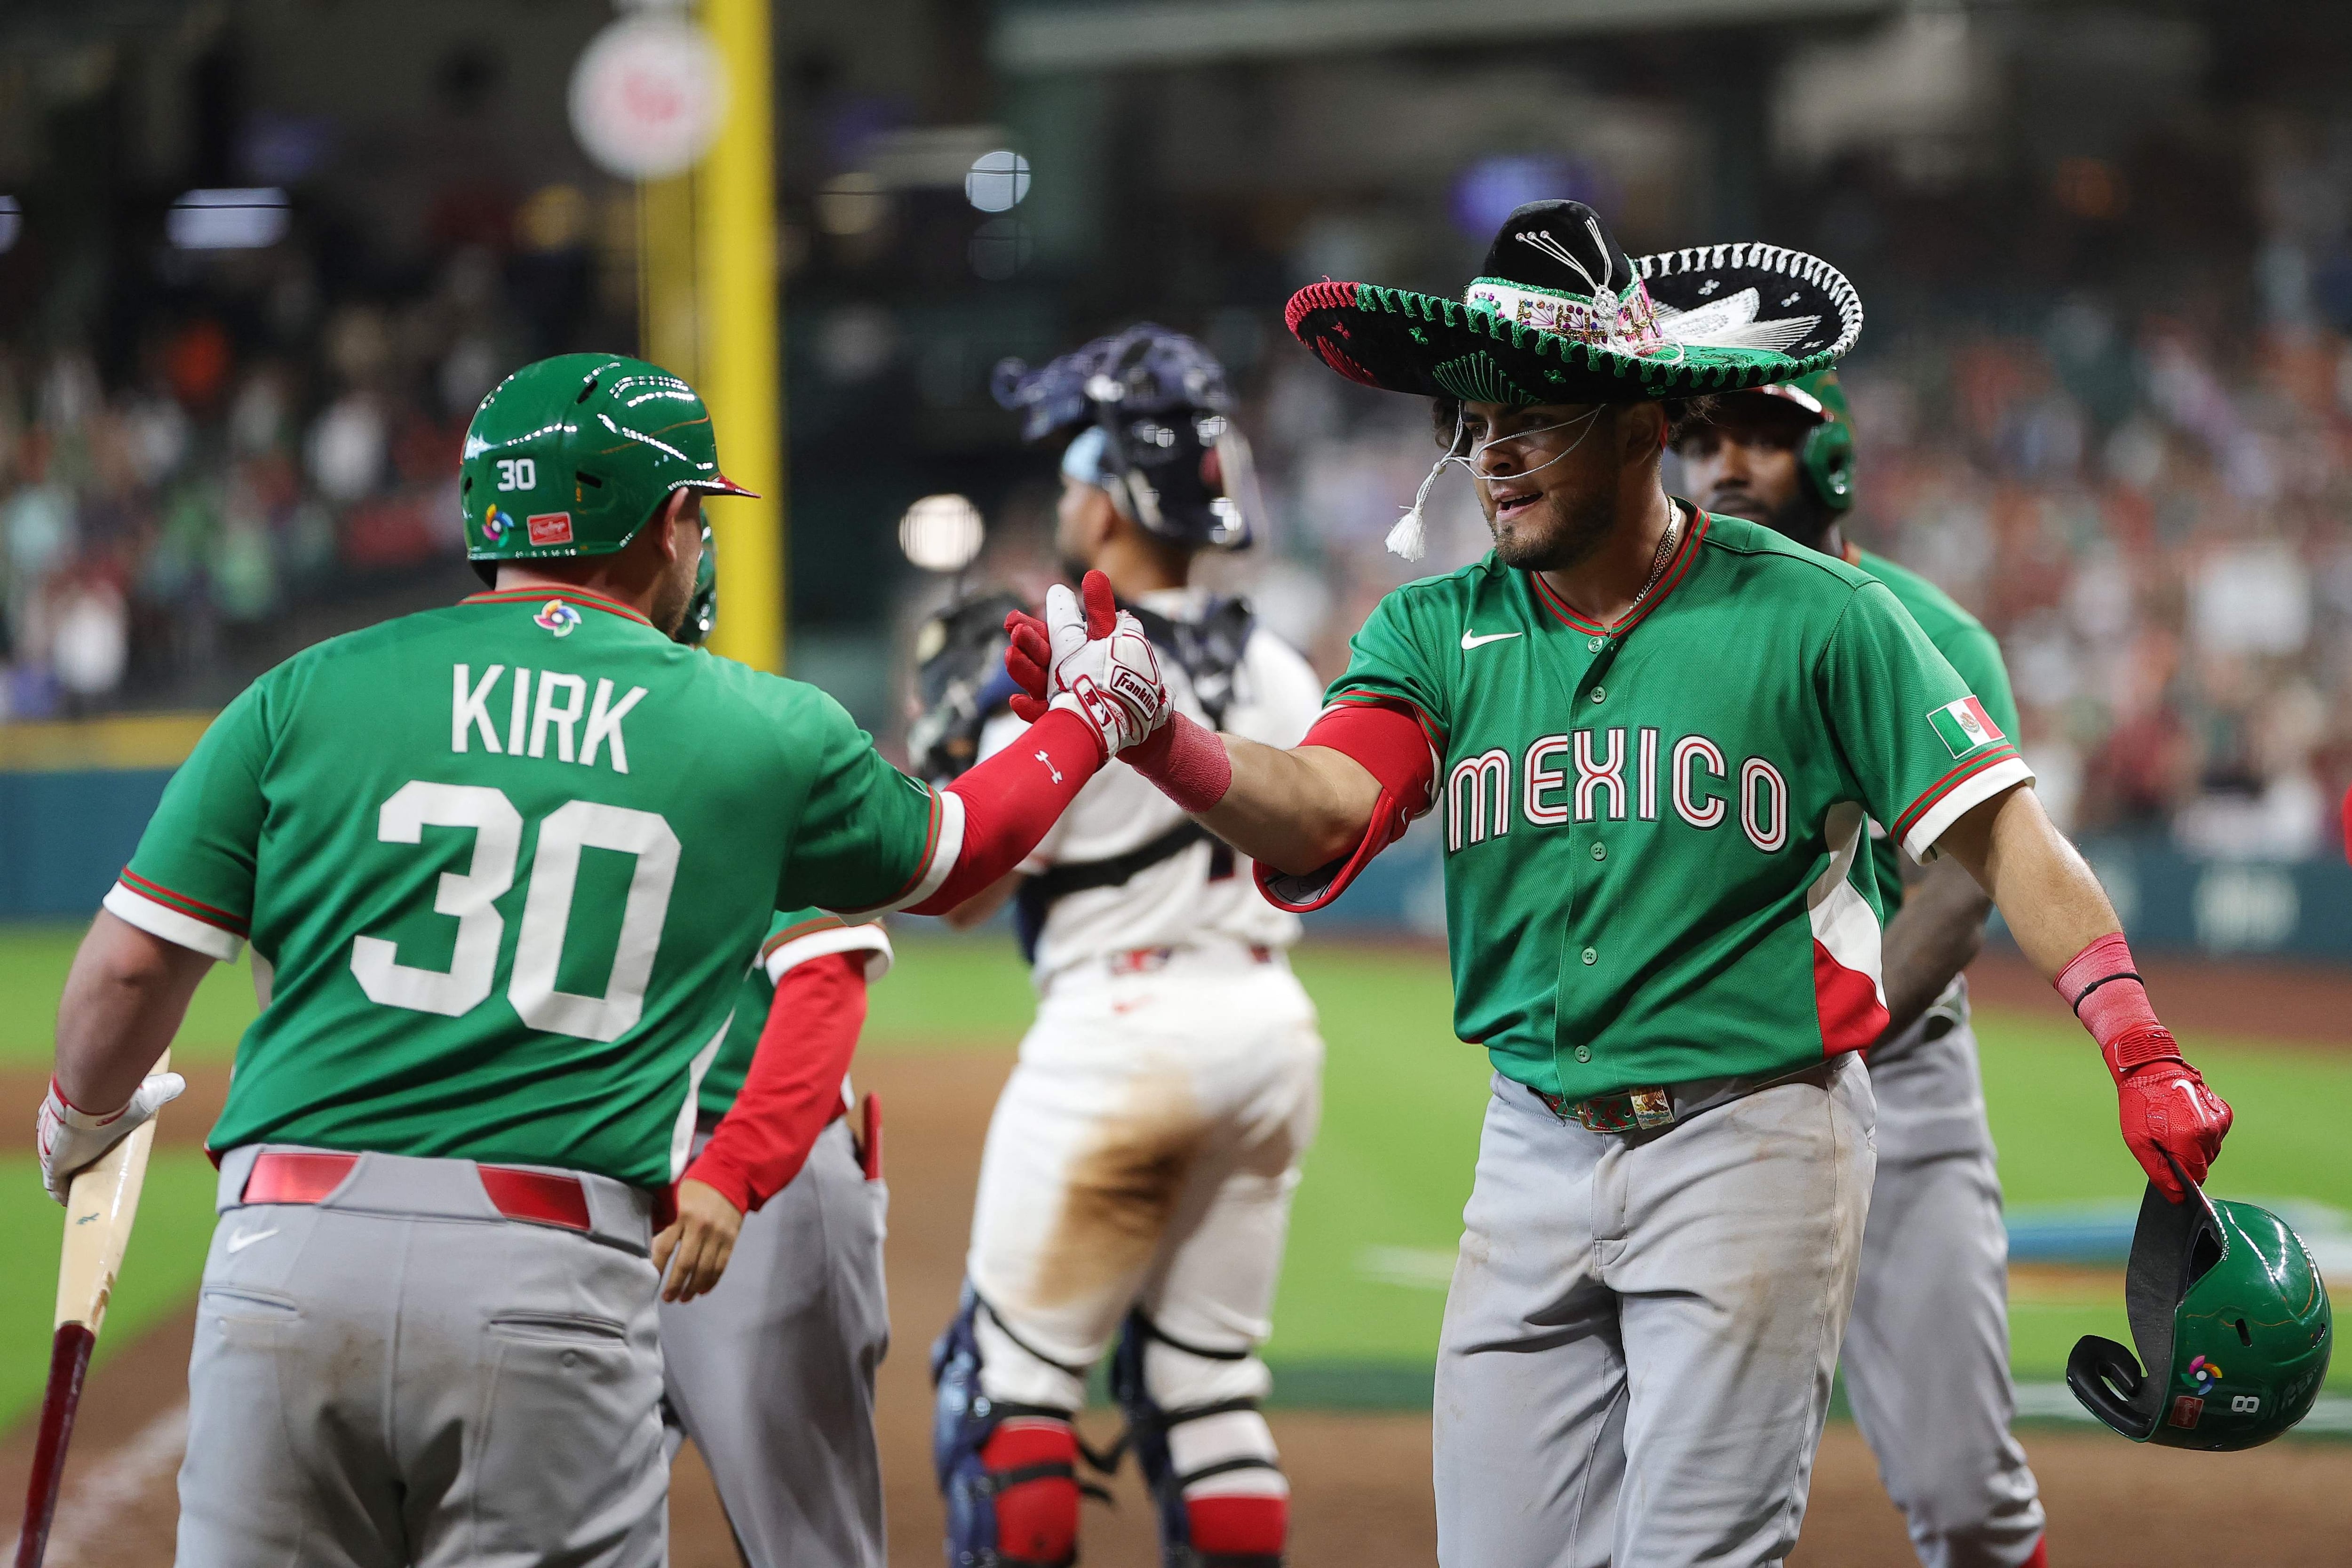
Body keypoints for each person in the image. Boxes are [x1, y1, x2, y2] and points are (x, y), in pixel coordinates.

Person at [1001, 201, 2233, 1568]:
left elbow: (2005, 837)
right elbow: (1327, 802)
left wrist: (2139, 1039)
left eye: (1536, 410)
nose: (1494, 449)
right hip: (1529, 1140)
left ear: (1646, 422)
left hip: (1750, 1136)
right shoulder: (1436, 625)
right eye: (1474, 417)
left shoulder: (1820, 616)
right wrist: (1160, 735)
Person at [34, 352, 1176, 1568]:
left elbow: (123, 978)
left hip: (285, 1251)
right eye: (697, 511)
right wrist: (1089, 718)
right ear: (671, 520)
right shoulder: (756, 726)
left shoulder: (300, 693)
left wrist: (78, 1120)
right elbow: (960, 853)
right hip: (547, 1269)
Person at [922, 324, 1326, 1568]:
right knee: (1210, 1387)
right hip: (1269, 1031)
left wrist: (946, 747)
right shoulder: (1282, 663)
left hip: (1118, 1032)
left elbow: (963, 891)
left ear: (1106, 504)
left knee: (1011, 1389)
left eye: (1073, 483)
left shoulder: (1050, 662)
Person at [1675, 372, 2049, 1568]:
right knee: (1661, 1486)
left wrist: (1803, 1036)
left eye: (1762, 440)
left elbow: (1958, 891)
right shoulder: (1650, 632)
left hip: (1895, 1070)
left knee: (1964, 1492)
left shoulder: (1936, 638)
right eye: (1701, 440)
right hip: (1695, 1093)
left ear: (1829, 459)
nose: (1725, 465)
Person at [656, 539, 896, 1568]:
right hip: (582, 1185)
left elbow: (823, 988)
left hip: (751, 1185)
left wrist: (737, 1169)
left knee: (807, 1542)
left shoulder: (747, 738)